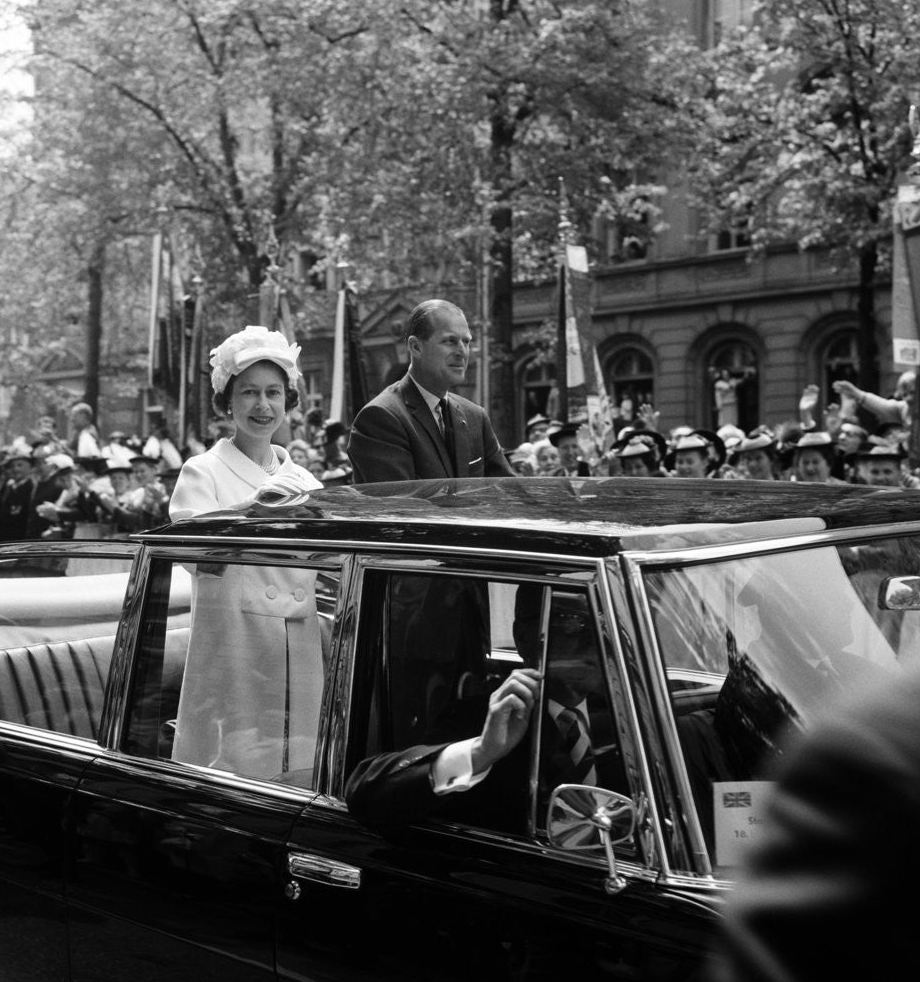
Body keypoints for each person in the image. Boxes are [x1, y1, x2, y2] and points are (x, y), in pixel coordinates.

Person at [712, 624, 920, 982]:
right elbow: (762, 770)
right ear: (778, 611)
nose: (844, 607)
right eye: (832, 591)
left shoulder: (859, 672)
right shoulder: (751, 686)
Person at [167, 325, 324, 778]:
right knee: (233, 770)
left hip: (297, 646)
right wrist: (256, 510)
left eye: (274, 393)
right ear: (227, 403)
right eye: (250, 393)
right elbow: (194, 553)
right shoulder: (203, 472)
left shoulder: (306, 482)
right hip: (232, 648)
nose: (263, 405)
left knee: (298, 766)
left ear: (288, 401)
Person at [345, 588, 624, 834]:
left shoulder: (627, 719)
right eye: (575, 623)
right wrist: (482, 751)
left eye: (606, 627)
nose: (597, 642)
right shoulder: (481, 721)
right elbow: (366, 799)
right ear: (525, 636)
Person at [347, 299, 513, 482]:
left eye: (466, 342)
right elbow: (398, 506)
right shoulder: (381, 418)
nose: (462, 352)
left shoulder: (475, 416)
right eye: (450, 341)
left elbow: (507, 491)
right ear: (416, 347)